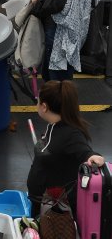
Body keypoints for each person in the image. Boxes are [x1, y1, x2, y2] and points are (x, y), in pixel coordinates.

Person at [27, 80, 106, 216]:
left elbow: (84, 152)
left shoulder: (71, 133)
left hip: (56, 211)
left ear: (44, 106)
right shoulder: (54, 126)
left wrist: (93, 156)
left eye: (38, 101)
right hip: (41, 203)